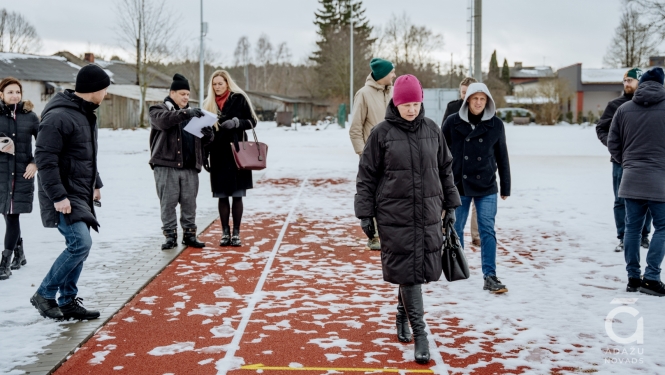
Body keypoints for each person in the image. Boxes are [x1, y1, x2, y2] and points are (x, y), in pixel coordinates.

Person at [355, 74, 461, 364]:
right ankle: (421, 334)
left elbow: (445, 169)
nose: (411, 109)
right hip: (394, 215)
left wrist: (450, 205)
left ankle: (402, 314)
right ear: (396, 104)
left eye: (415, 103)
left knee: (415, 271)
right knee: (409, 272)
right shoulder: (381, 133)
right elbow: (366, 176)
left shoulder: (432, 130)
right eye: (406, 104)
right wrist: (365, 214)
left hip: (427, 213)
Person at [30, 64, 109, 320]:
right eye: (105, 88)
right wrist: (58, 196)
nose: (106, 93)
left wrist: (95, 182)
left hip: (80, 191)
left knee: (80, 246)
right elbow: (45, 158)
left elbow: (84, 154)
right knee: (80, 244)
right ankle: (44, 293)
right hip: (64, 193)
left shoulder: (84, 112)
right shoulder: (59, 117)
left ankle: (67, 301)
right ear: (93, 89)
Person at [442, 82, 511, 294]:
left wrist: (506, 186)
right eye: (475, 98)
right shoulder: (452, 123)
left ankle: (490, 275)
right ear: (468, 100)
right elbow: (440, 156)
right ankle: (458, 270)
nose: (479, 103)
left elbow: (502, 156)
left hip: (487, 185)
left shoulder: (496, 125)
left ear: (487, 101)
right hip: (458, 186)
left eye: (483, 99)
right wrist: (440, 185)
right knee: (455, 229)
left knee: (487, 230)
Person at [608, 67, 665, 297]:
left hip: (630, 178)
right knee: (662, 227)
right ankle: (651, 278)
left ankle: (633, 278)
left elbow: (613, 143)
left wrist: (627, 162)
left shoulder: (624, 109)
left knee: (632, 228)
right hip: (660, 180)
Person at [149, 74, 214, 250]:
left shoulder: (195, 114)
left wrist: (208, 134)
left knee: (189, 203)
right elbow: (163, 121)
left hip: (189, 166)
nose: (186, 97)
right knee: (168, 203)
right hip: (166, 166)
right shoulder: (158, 109)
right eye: (182, 93)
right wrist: (186, 113)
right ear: (172, 93)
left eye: (188, 94)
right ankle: (170, 236)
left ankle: (190, 235)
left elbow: (202, 142)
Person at [596, 68, 652, 253]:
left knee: (649, 199)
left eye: (631, 80)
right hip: (620, 161)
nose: (627, 84)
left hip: (647, 161)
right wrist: (615, 149)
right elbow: (602, 129)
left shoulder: (650, 104)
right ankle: (623, 236)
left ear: (640, 82)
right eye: (625, 80)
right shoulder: (615, 105)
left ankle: (644, 235)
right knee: (620, 201)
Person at [201, 70, 258, 247]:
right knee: (222, 196)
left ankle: (236, 233)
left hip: (237, 153)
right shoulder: (207, 104)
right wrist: (205, 154)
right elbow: (203, 132)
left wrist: (236, 123)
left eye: (220, 83)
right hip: (217, 154)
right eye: (214, 84)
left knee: (237, 195)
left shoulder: (239, 98)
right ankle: (225, 232)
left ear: (227, 83)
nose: (217, 87)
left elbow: (252, 121)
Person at [349, 57, 396, 251]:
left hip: (396, 154)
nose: (394, 75)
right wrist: (363, 154)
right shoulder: (364, 94)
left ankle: (392, 232)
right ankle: (374, 235)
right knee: (374, 195)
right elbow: (355, 129)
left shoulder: (395, 92)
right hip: (374, 156)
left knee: (394, 194)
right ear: (382, 75)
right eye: (391, 72)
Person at [0, 78, 39, 280]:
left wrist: (35, 162)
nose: (14, 95)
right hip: (2, 173)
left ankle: (4, 263)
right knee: (7, 213)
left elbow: (44, 143)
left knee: (12, 215)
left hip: (22, 173)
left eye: (17, 92)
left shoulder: (30, 117)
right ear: (1, 95)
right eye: (10, 92)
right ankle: (20, 254)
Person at [442, 77, 481, 246]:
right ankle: (452, 234)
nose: (465, 96)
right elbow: (444, 134)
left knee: (477, 201)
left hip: (477, 163)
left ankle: (476, 234)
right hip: (456, 161)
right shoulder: (453, 107)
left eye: (468, 93)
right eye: (463, 92)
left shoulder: (482, 108)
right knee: (456, 198)